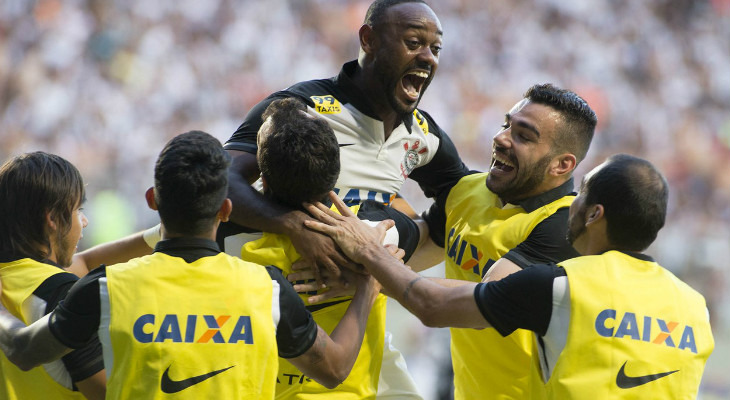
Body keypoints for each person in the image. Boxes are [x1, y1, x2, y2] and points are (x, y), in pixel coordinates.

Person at [0, 131, 381, 400]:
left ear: (152, 200)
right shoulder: (266, 289)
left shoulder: (105, 289)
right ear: (226, 210)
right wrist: (369, 285)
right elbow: (334, 368)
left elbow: (21, 348)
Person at [303, 153, 715, 399]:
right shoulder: (695, 308)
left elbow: (430, 303)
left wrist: (369, 252)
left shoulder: (564, 286)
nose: (572, 202)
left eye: (582, 193)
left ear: (595, 214)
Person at [222, 1, 468, 398]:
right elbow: (222, 178)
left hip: (358, 331)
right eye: (413, 42)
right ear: (368, 40)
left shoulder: (423, 135)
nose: (427, 57)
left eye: (435, 48)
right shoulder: (301, 110)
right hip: (272, 322)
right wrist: (293, 226)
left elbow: (460, 204)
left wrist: (379, 260)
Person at [218, 97, 422, 399]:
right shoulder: (382, 233)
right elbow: (429, 233)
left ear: (262, 177)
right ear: (334, 174)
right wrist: (368, 275)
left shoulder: (225, 235)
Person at [411, 83, 596, 398]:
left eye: (523, 136)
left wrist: (373, 259)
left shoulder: (566, 226)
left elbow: (481, 303)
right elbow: (419, 252)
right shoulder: (469, 192)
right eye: (506, 124)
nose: (500, 138)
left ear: (562, 165)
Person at [0, 152, 106, 400]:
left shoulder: (18, 278)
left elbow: (86, 262)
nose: (85, 221)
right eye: (78, 209)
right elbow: (111, 393)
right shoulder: (64, 293)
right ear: (52, 219)